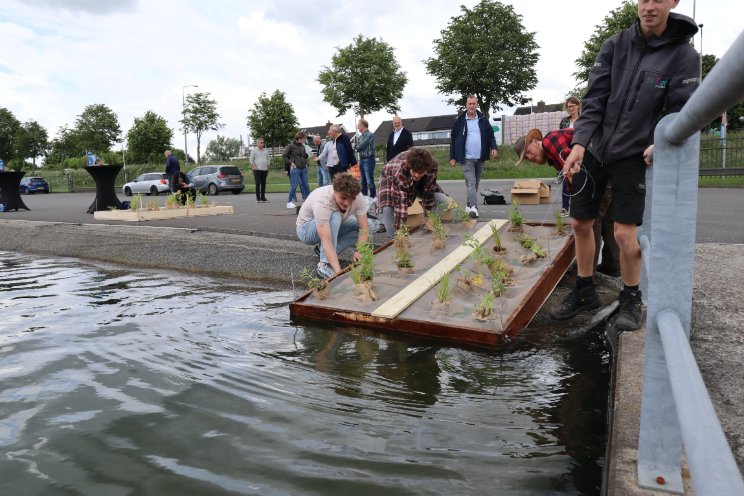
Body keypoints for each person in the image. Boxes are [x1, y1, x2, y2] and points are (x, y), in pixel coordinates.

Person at [554, 0, 700, 330]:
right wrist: (579, 144)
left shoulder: (683, 56)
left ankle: (631, 297)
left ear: (674, 1)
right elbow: (594, 101)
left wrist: (660, 139)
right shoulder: (615, 45)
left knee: (623, 233)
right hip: (595, 149)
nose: (649, 6)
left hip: (634, 154)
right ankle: (584, 289)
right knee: (580, 223)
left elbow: (682, 109)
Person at [514, 127, 620, 277]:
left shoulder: (550, 141)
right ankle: (613, 267)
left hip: (597, 176)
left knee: (589, 222)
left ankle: (586, 273)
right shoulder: (551, 154)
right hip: (608, 173)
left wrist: (579, 203)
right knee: (608, 220)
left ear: (535, 141)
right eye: (526, 159)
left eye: (529, 152)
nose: (530, 158)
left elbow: (573, 165)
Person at [296, 172, 374, 279]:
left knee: (370, 225)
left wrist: (359, 251)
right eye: (343, 198)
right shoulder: (323, 202)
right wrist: (339, 273)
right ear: (335, 191)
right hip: (306, 230)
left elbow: (364, 228)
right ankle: (324, 264)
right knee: (335, 216)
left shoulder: (358, 197)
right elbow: (326, 240)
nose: (347, 203)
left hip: (331, 224)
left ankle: (323, 252)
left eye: (350, 198)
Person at [376, 147, 450, 238]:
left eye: (421, 172)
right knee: (388, 207)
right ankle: (395, 238)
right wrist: (401, 233)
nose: (417, 175)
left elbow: (429, 194)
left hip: (415, 178)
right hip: (389, 177)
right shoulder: (400, 171)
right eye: (415, 172)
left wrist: (429, 218)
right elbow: (401, 206)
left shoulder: (432, 166)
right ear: (410, 166)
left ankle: (431, 226)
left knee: (444, 201)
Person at [449, 95, 498, 219]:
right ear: (466, 105)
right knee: (471, 183)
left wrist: (494, 148)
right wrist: (452, 157)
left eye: (473, 104)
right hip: (466, 158)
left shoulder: (482, 119)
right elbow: (453, 139)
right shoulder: (460, 121)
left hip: (480, 157)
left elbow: (491, 135)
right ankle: (474, 208)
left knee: (475, 183)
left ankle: (468, 204)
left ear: (476, 105)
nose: (471, 106)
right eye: (469, 104)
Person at [557, 96, 582, 215]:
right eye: (568, 107)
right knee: (566, 178)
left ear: (578, 106)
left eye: (572, 106)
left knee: (579, 179)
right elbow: (560, 137)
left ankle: (577, 206)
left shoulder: (584, 119)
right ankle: (565, 207)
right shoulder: (564, 121)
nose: (571, 109)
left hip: (582, 152)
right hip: (567, 152)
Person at [283, 131, 311, 209]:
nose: (305, 140)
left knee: (306, 185)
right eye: (304, 139)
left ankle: (309, 201)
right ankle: (289, 202)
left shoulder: (302, 146)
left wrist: (306, 162)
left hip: (303, 168)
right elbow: (284, 156)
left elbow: (304, 156)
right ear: (299, 138)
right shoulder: (291, 146)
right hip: (295, 168)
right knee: (294, 185)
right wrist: (290, 163)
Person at [355, 118, 376, 198]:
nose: (358, 127)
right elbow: (357, 146)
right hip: (362, 160)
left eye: (359, 125)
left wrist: (357, 147)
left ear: (363, 125)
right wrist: (357, 147)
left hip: (369, 160)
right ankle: (364, 198)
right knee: (363, 181)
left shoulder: (370, 135)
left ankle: (373, 199)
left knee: (369, 181)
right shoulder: (360, 136)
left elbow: (360, 146)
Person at [250, 137, 270, 203]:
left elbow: (268, 159)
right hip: (257, 170)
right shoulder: (254, 151)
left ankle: (263, 198)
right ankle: (258, 199)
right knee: (258, 183)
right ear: (257, 143)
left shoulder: (266, 151)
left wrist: (268, 166)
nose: (262, 144)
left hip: (265, 170)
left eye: (263, 142)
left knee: (263, 184)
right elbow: (251, 160)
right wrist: (254, 166)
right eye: (261, 142)